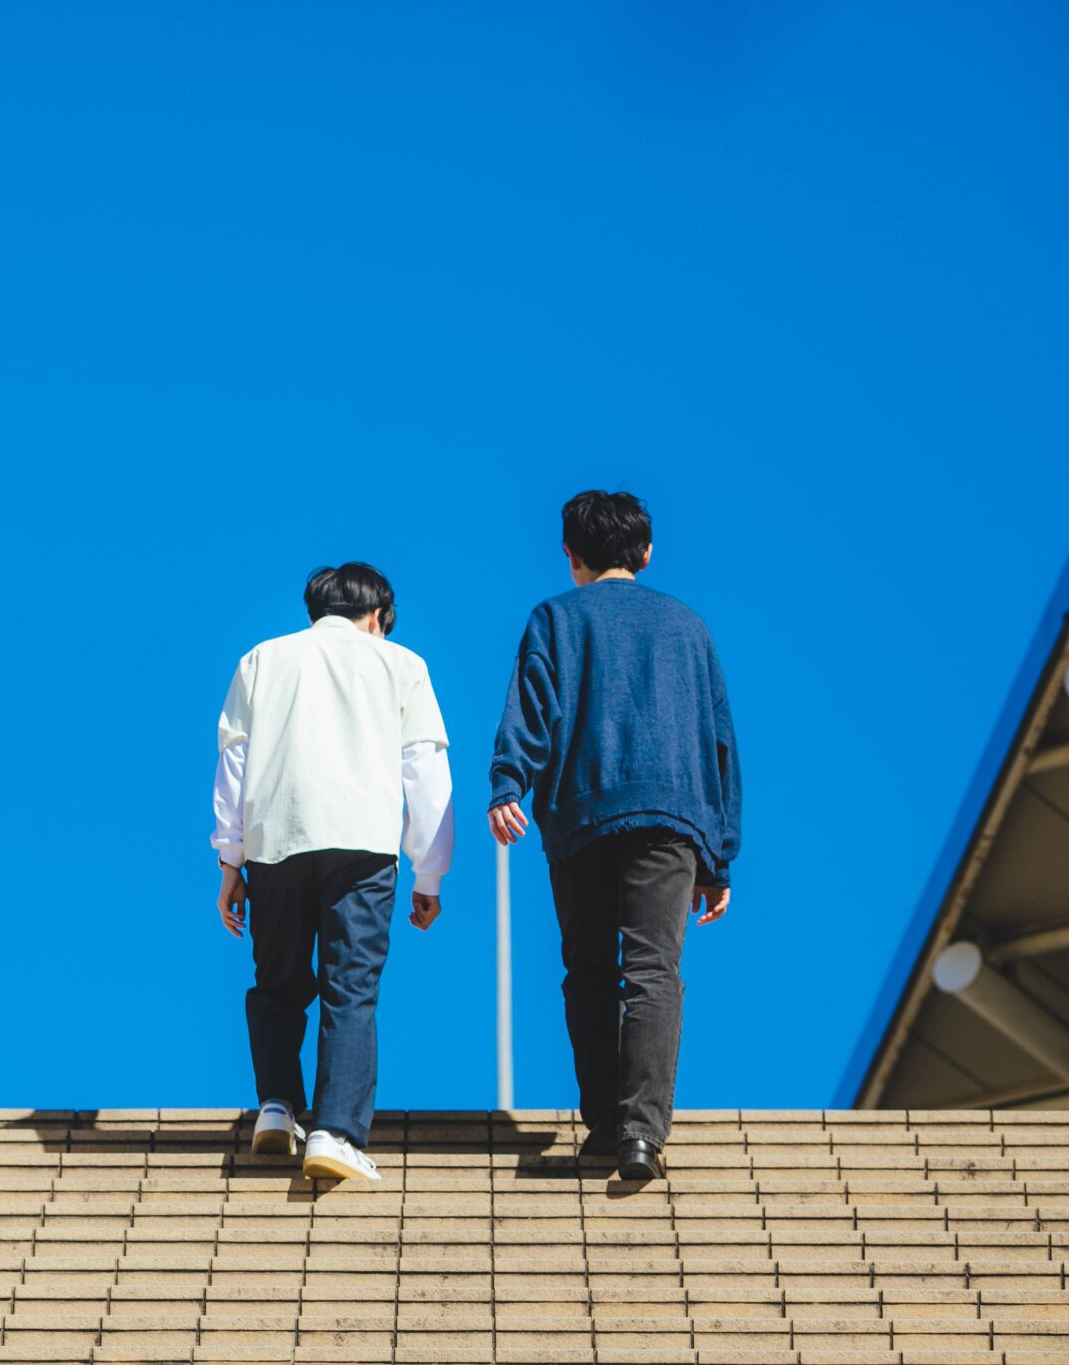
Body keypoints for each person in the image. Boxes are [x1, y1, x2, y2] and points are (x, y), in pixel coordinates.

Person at [488, 490, 741, 1183]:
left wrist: (508, 784)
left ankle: (604, 1123)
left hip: (584, 813)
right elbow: (718, 740)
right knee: (654, 969)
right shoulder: (689, 626)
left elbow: (533, 705)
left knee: (590, 971)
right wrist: (719, 852)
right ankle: (641, 1133)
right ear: (647, 551)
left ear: (571, 555)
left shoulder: (556, 618)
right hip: (673, 815)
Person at [212, 563, 454, 1182]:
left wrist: (230, 859)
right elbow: (425, 773)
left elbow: (234, 765)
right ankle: (336, 1131)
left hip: (276, 839)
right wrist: (429, 875)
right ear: (377, 615)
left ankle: (276, 1106)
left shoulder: (262, 659)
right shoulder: (400, 664)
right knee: (349, 989)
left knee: (278, 981)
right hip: (363, 845)